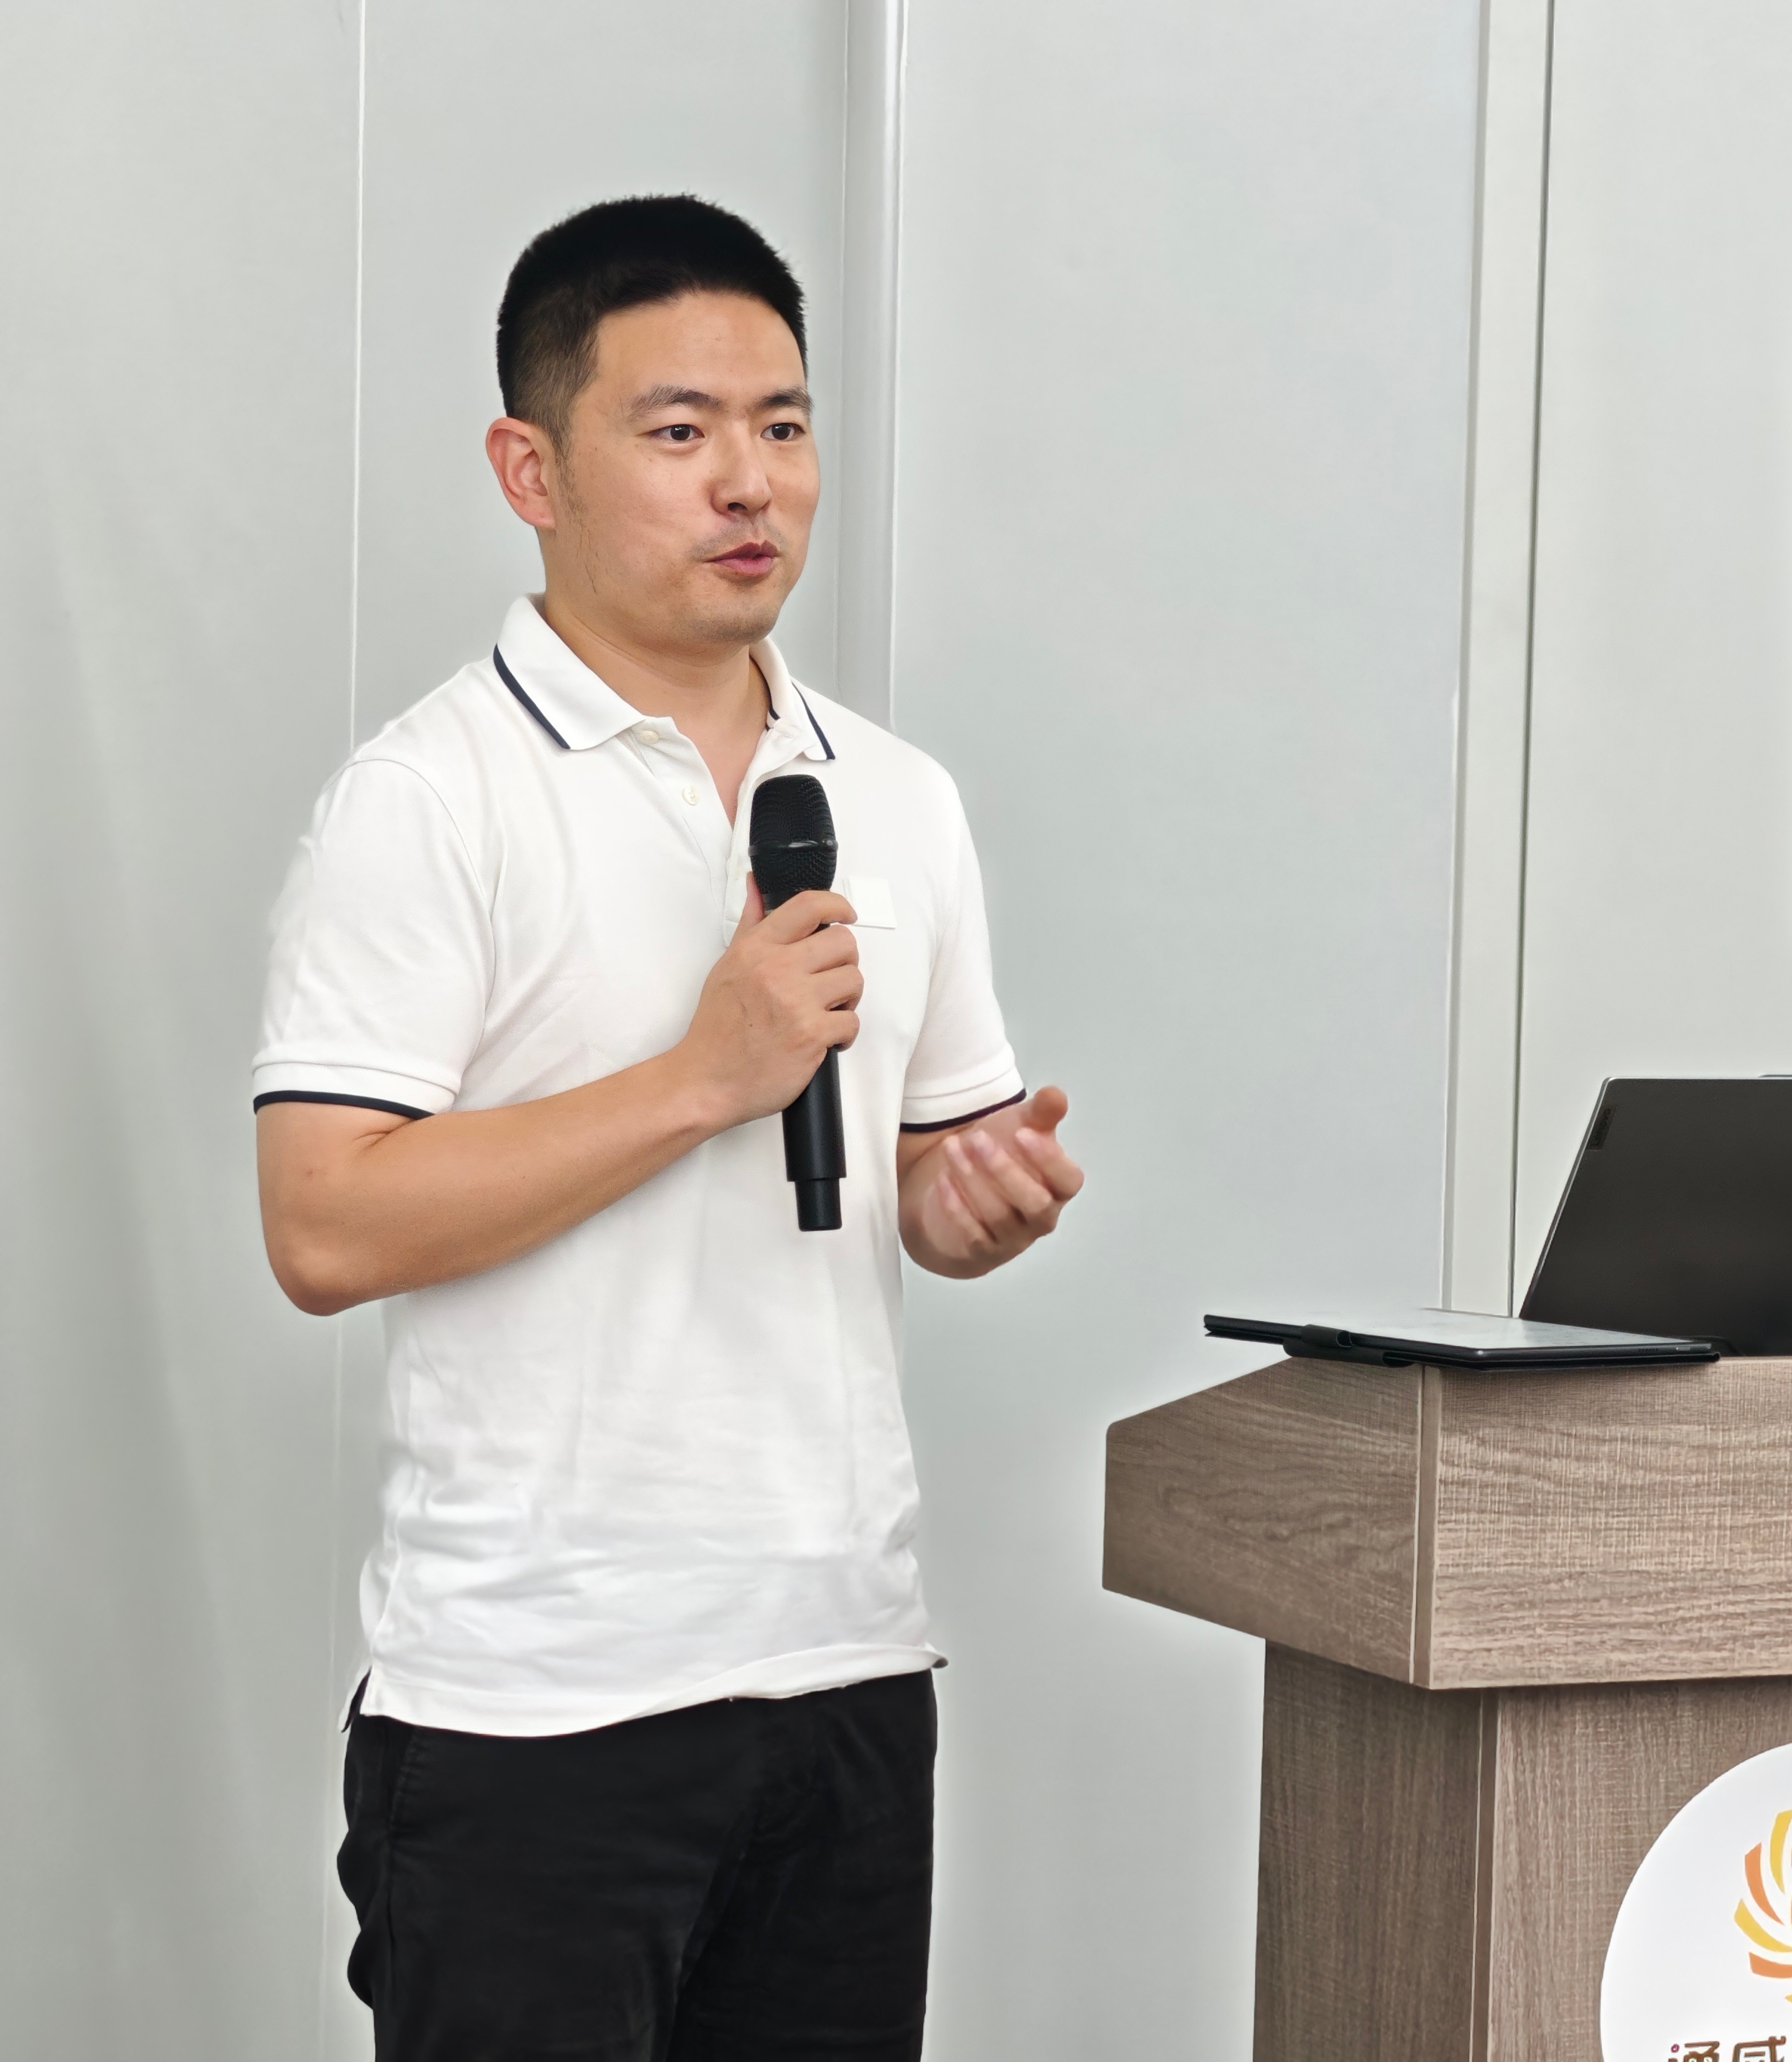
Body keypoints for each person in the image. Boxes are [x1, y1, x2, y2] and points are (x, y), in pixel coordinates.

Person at [251, 195, 1084, 2061]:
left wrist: (970, 1198)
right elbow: (322, 1226)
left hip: (845, 1670)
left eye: (782, 426)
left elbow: (919, 1177)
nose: (749, 483)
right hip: (538, 1713)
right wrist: (704, 1076)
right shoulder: (427, 801)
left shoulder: (898, 796)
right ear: (529, 470)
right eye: (680, 429)